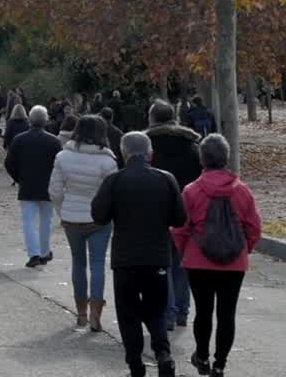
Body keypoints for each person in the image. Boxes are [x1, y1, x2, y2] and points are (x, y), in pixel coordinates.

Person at [92, 131, 187, 377]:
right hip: (157, 256)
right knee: (156, 309)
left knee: (128, 313)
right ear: (150, 154)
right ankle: (163, 353)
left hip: (125, 259)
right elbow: (180, 219)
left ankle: (135, 363)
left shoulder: (114, 181)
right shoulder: (166, 179)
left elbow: (98, 215)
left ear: (123, 154)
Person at [170, 134, 261, 377]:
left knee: (203, 311)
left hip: (199, 261)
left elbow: (179, 228)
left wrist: (185, 251)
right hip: (234, 262)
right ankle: (220, 363)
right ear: (226, 157)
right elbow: (254, 227)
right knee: (227, 314)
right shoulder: (242, 191)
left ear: (202, 158)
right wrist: (244, 249)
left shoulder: (191, 191)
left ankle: (201, 356)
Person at [48, 114, 118, 331]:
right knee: (98, 263)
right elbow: (112, 194)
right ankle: (96, 312)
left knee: (78, 262)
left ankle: (81, 312)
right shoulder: (108, 161)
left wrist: (62, 210)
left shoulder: (63, 157)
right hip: (98, 219)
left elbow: (55, 190)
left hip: (72, 216)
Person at [147, 99, 202, 330]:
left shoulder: (147, 145)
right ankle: (182, 310)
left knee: (162, 264)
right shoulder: (192, 147)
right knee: (182, 263)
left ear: (152, 118)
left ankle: (168, 311)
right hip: (187, 210)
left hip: (156, 211)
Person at [4, 105, 62, 268]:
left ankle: (34, 253)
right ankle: (44, 252)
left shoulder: (20, 139)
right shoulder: (54, 141)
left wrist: (19, 178)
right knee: (46, 221)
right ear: (46, 121)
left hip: (27, 185)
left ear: (30, 119)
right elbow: (59, 165)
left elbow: (9, 163)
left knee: (28, 221)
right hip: (47, 186)